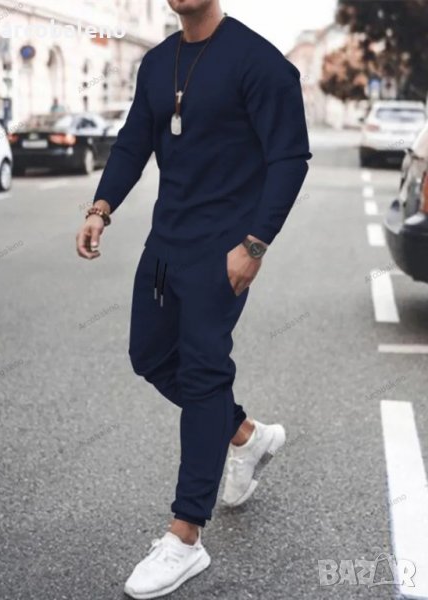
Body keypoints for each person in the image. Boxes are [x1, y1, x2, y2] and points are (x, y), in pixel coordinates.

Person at [76, 1, 311, 597]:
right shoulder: (158, 63)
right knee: (150, 356)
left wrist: (255, 245)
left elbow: (290, 158)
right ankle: (246, 435)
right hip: (166, 244)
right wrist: (101, 207)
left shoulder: (261, 63)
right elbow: (133, 141)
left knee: (204, 373)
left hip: (224, 250)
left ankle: (185, 537)